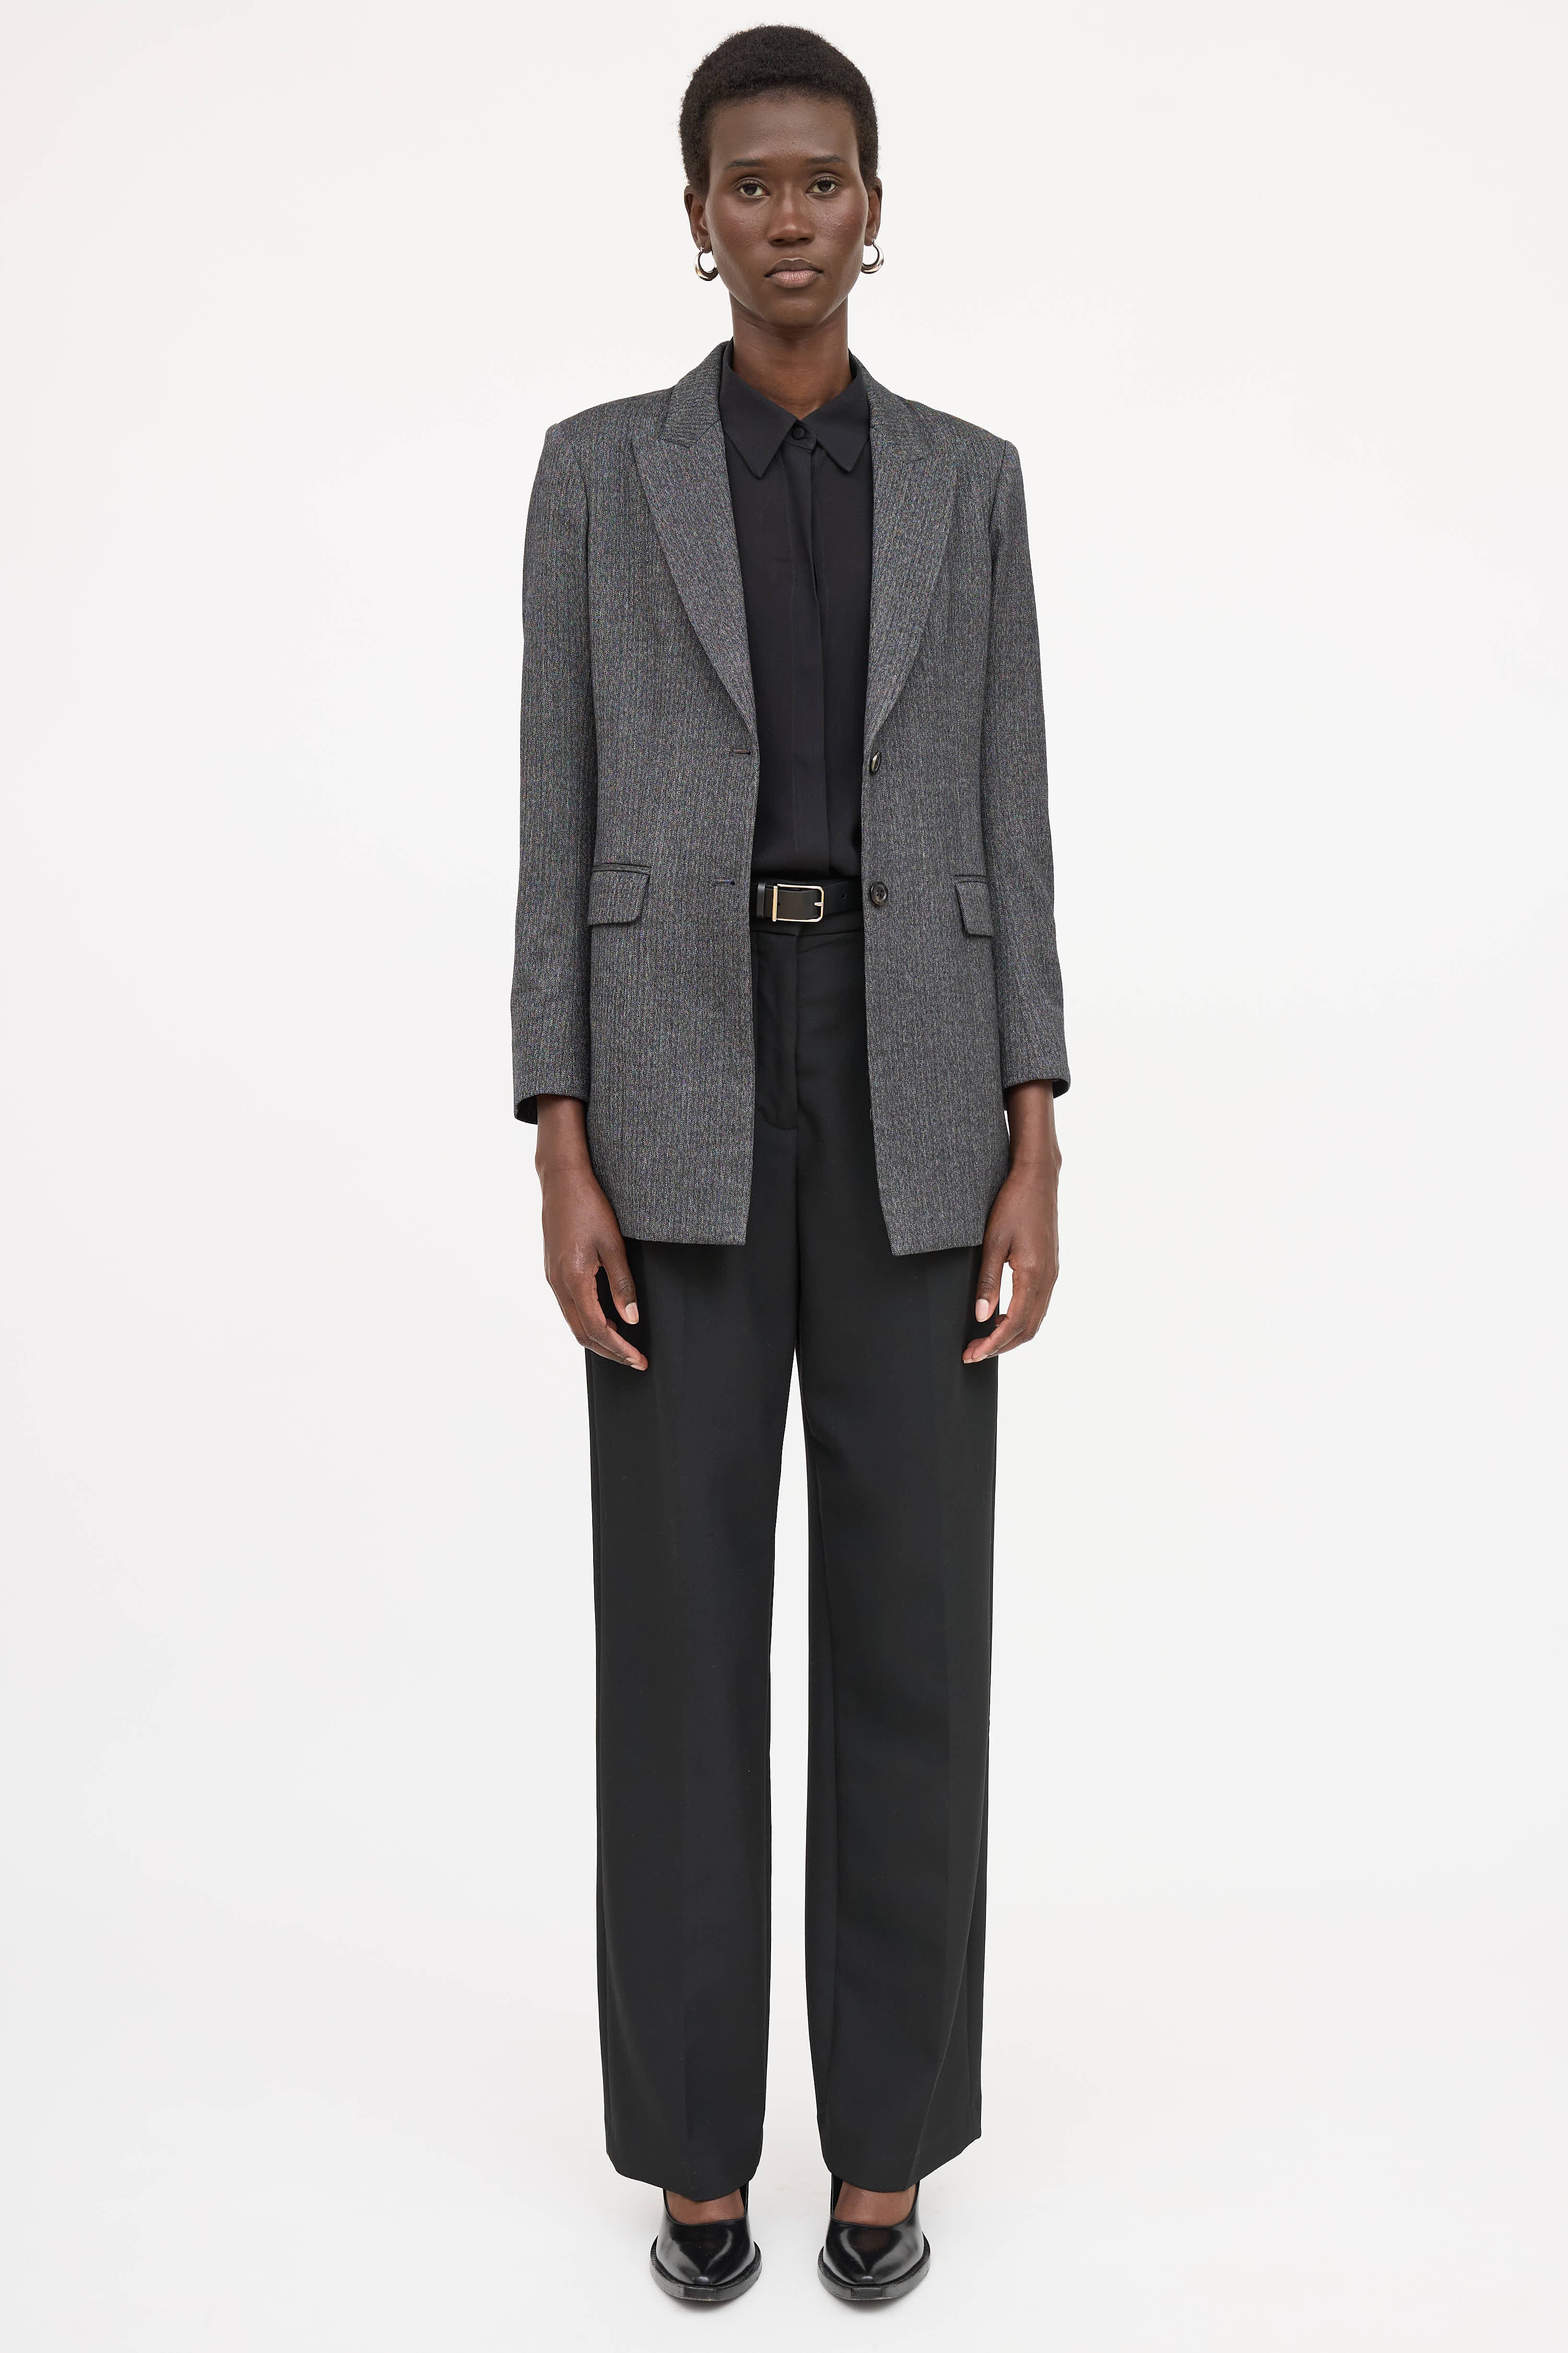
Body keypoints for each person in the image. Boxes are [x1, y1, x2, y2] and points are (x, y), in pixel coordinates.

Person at [512, 23, 1067, 2306]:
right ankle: (689, 2152)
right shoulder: (595, 476)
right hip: (672, 1082)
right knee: (676, 1639)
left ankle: (886, 2148)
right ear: (694, 217)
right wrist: (556, 1134)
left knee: (909, 1629)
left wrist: (1035, 1124)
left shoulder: (968, 483)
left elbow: (1012, 811)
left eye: (817, 180)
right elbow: (552, 816)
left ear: (871, 208)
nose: (783, 217)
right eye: (744, 184)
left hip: (916, 1080)